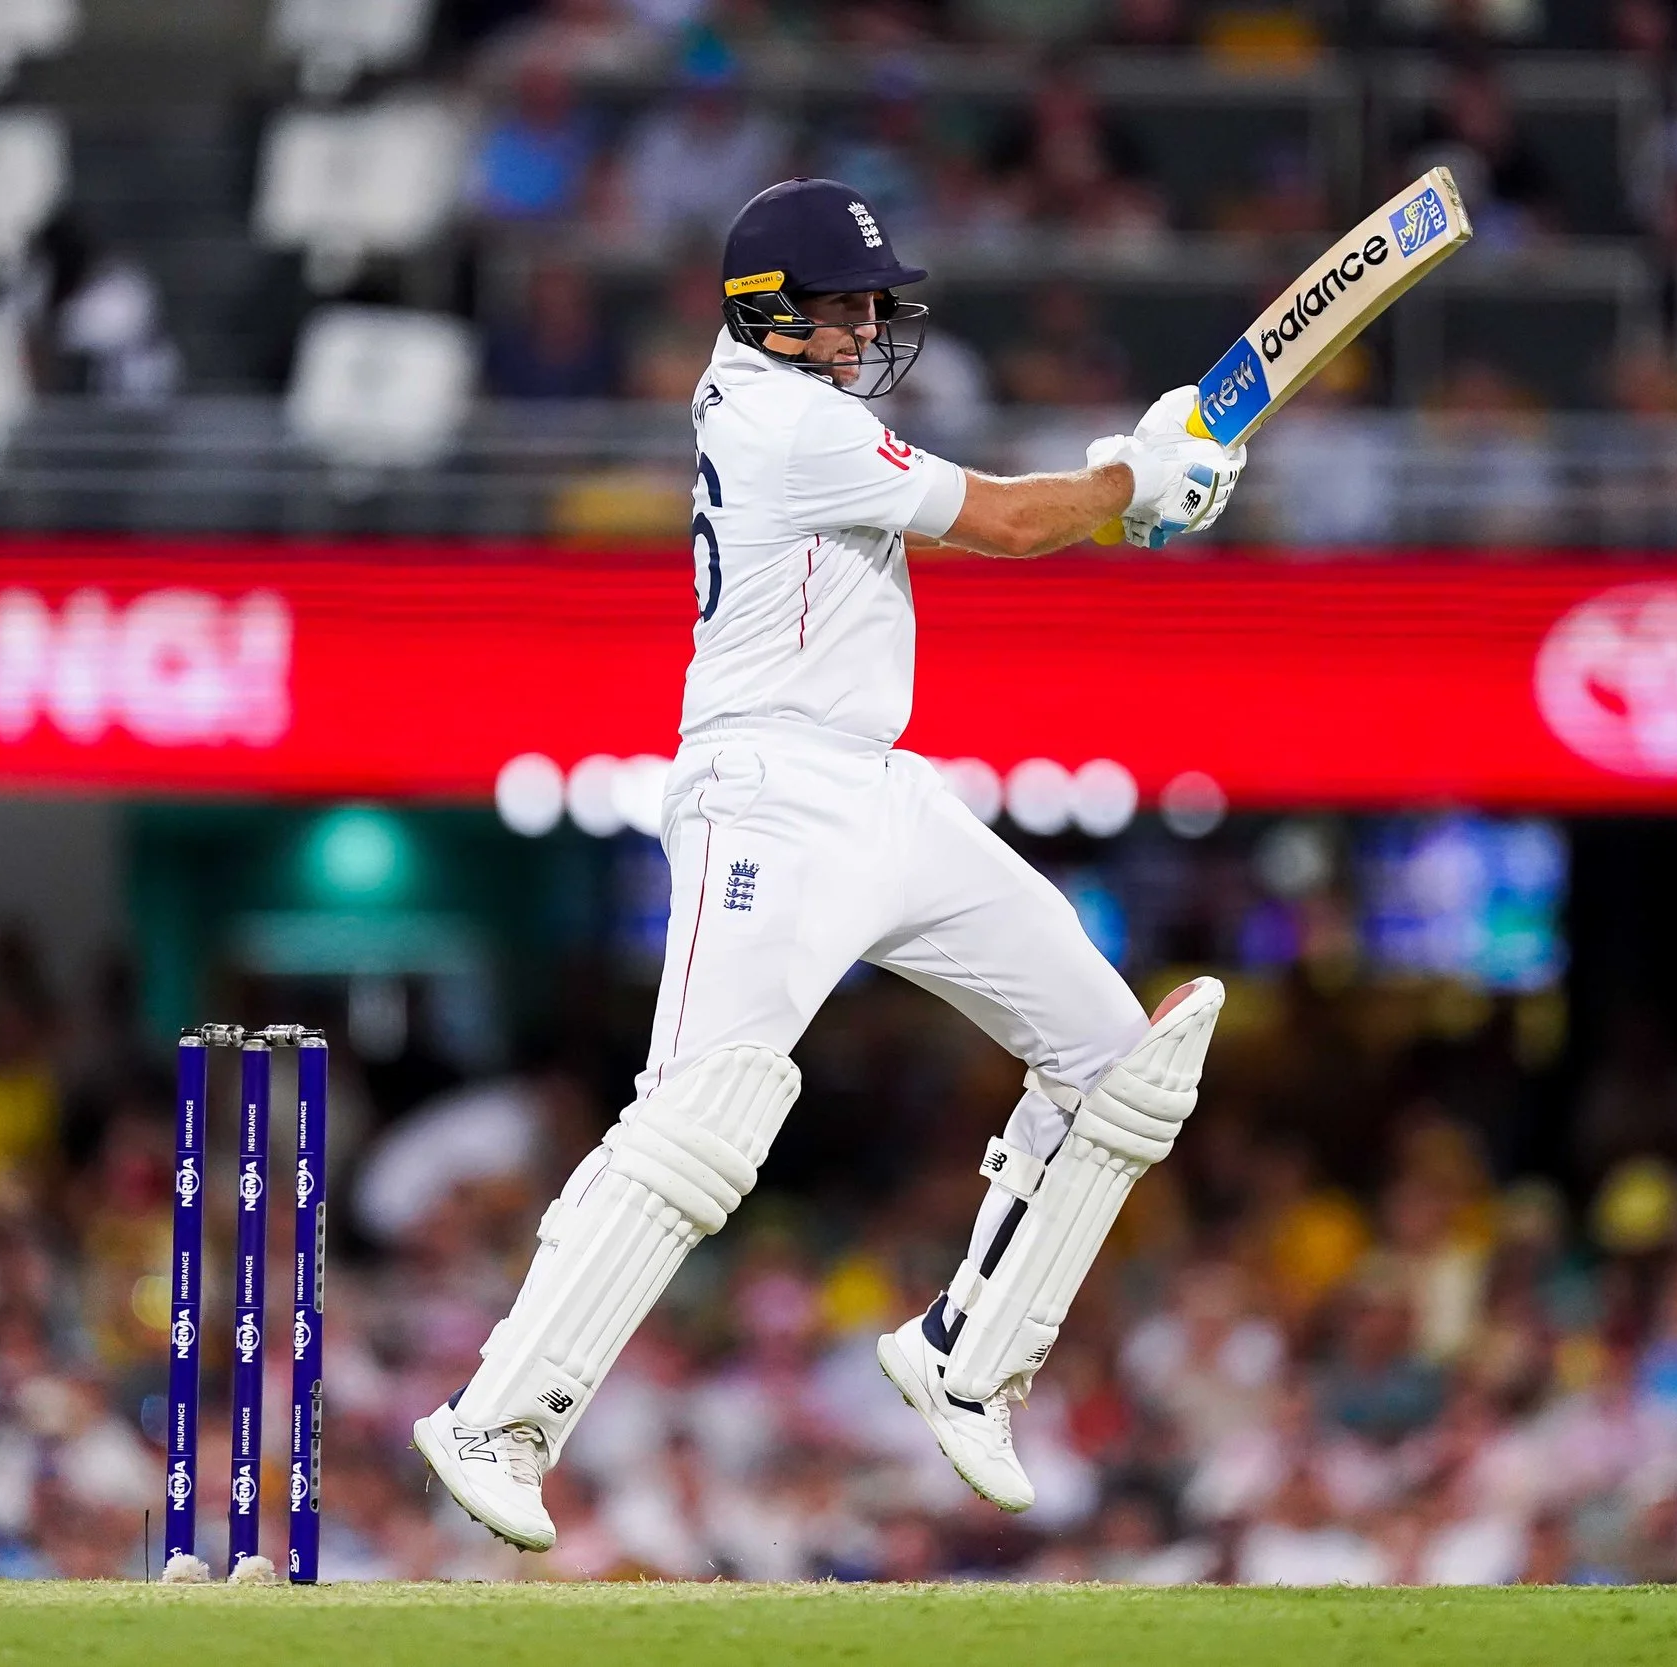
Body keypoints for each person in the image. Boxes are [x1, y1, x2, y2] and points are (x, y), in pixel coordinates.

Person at [414, 176, 1245, 1552]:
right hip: (769, 793)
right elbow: (1009, 523)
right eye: (845, 303)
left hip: (879, 785)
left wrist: (1124, 483)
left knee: (1115, 1062)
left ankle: (967, 1357)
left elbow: (1018, 511)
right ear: (769, 312)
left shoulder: (800, 402)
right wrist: (1130, 480)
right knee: (702, 1113)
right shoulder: (788, 420)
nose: (869, 323)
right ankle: (497, 1419)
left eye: (874, 302)